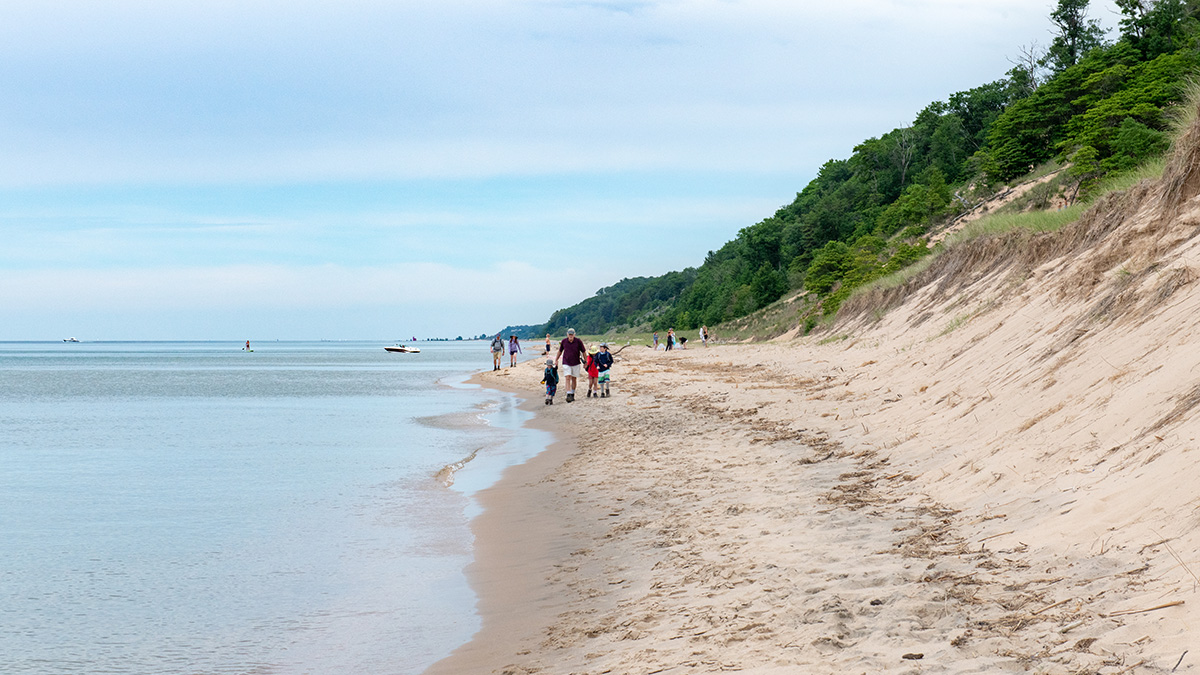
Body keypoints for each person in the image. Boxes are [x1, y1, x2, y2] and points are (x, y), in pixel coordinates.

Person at [554, 328, 587, 402]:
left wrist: (586, 361)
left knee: (574, 378)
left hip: (576, 362)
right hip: (566, 362)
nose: (571, 336)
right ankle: (568, 393)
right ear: (567, 335)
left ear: (574, 334)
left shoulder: (578, 341)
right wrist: (556, 359)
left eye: (572, 334)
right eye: (569, 334)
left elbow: (584, 352)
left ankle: (572, 393)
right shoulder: (564, 341)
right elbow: (560, 351)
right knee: (567, 377)